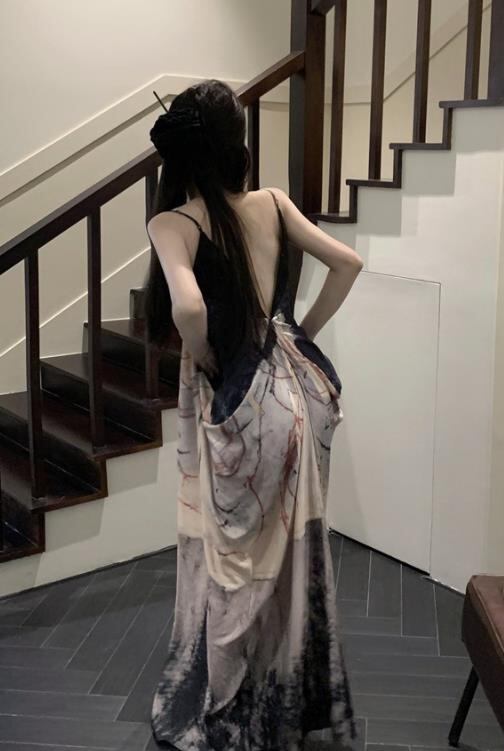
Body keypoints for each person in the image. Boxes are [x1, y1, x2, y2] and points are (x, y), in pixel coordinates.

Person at [145, 78, 363, 751]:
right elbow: (348, 262)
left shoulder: (174, 223)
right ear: (236, 145)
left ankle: (235, 709)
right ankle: (287, 696)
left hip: (242, 402)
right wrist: (300, 333)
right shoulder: (272, 202)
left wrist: (208, 355)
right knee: (291, 554)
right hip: (301, 397)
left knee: (235, 562)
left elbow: (187, 307)